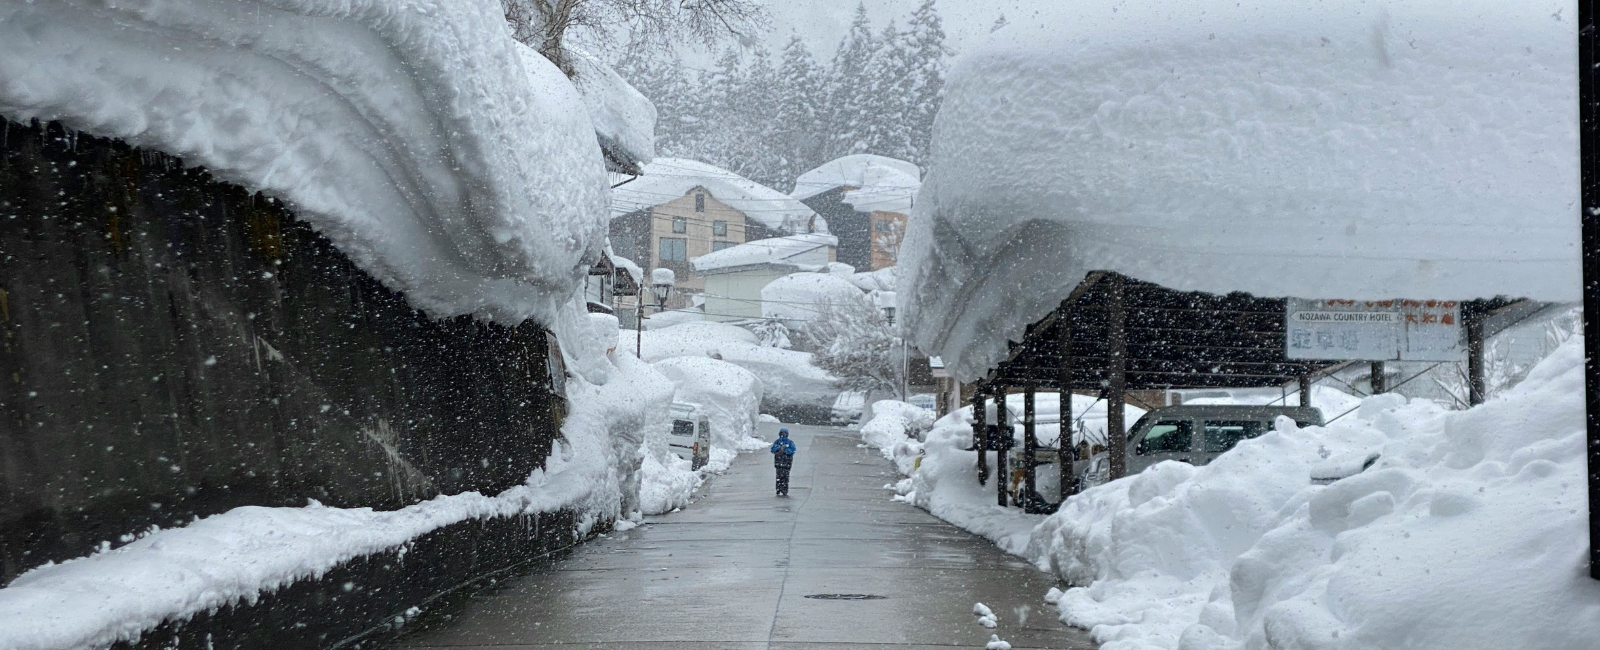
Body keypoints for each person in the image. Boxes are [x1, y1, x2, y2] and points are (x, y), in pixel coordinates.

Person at [770, 428, 796, 496]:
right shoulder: (777, 442)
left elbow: (793, 450)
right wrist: (779, 448)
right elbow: (772, 449)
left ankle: (784, 489)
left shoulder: (790, 442)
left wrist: (784, 450)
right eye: (781, 433)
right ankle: (778, 489)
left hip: (787, 463)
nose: (783, 434)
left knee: (785, 477)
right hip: (778, 463)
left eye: (784, 433)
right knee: (778, 476)